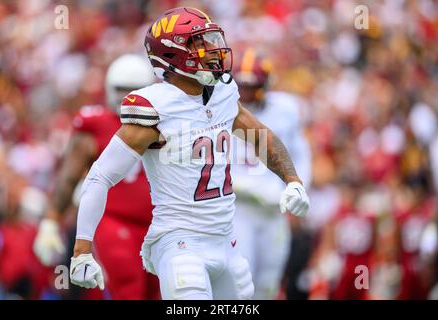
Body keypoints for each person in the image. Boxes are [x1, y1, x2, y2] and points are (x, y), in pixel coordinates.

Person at [69, 7, 310, 300]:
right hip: (179, 241)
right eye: (200, 43)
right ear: (172, 54)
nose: (212, 50)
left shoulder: (222, 94)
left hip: (225, 239)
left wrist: (292, 180)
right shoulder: (155, 107)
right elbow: (100, 176)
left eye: (211, 40)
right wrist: (82, 249)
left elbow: (260, 137)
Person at [33, 54, 160, 299]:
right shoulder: (96, 124)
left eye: (134, 90)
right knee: (129, 288)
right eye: (122, 89)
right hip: (113, 221)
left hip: (158, 223)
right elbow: (69, 176)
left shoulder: (165, 119)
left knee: (161, 292)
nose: (127, 97)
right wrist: (51, 219)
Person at [231, 48, 312, 299]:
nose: (245, 93)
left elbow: (301, 154)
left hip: (274, 211)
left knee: (269, 281)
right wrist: (249, 187)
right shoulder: (224, 108)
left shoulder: (285, 109)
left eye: (251, 86)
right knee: (243, 280)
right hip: (239, 209)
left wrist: (296, 187)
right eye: (241, 86)